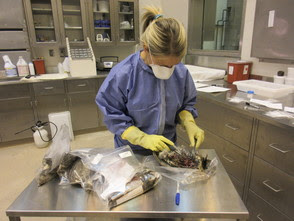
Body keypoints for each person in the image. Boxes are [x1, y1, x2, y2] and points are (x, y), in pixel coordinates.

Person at [96, 6, 204, 155]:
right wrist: (142, 138)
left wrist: (189, 122)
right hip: (132, 150)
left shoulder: (181, 72)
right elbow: (111, 112)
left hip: (167, 148)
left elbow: (186, 104)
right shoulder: (124, 74)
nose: (169, 70)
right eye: (162, 64)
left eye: (173, 64)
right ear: (146, 48)